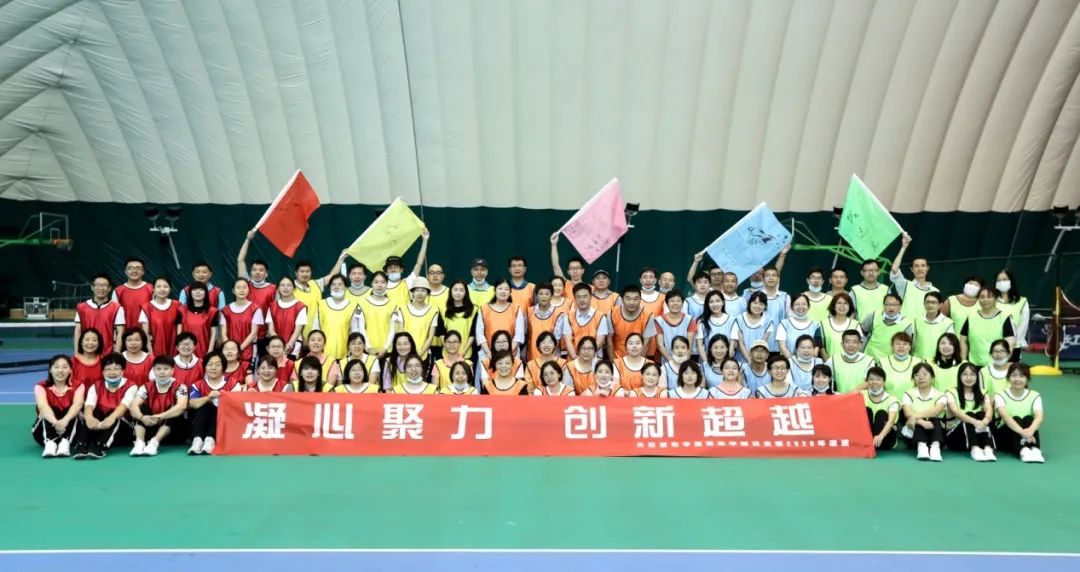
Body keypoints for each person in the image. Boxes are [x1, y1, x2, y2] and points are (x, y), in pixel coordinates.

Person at [75, 353, 136, 459]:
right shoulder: (96, 386)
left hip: (124, 430)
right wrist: (89, 418)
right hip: (103, 427)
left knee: (115, 414)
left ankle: (100, 446)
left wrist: (111, 418)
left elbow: (124, 406)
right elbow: (89, 405)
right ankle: (81, 445)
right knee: (93, 413)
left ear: (123, 371)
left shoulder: (131, 386)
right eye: (108, 369)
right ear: (103, 372)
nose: (112, 372)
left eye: (116, 369)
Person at [129, 356, 189, 457]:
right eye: (158, 369)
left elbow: (181, 407)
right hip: (151, 427)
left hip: (173, 433)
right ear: (153, 370)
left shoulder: (180, 386)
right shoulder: (146, 387)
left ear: (172, 371)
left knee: (174, 410)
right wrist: (142, 418)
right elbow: (133, 406)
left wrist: (159, 416)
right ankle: (139, 443)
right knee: (142, 408)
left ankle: (154, 443)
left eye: (166, 369)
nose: (162, 372)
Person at [188, 352, 243, 455]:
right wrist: (208, 397)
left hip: (225, 424)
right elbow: (192, 404)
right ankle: (197, 440)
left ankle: (210, 440)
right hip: (202, 420)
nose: (213, 368)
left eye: (217, 364)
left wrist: (222, 399)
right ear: (205, 367)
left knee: (217, 408)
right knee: (204, 405)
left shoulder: (233, 383)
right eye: (210, 364)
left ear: (223, 367)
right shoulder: (198, 384)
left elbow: (237, 405)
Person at [32, 355, 84, 458]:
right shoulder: (41, 386)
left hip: (71, 433)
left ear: (70, 370)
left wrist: (65, 421)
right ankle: (50, 443)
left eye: (65, 367)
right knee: (48, 411)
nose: (60, 370)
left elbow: (77, 405)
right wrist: (56, 423)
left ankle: (65, 443)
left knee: (73, 410)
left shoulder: (79, 385)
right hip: (42, 433)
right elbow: (42, 406)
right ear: (50, 370)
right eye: (56, 367)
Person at [992, 362, 1045, 463]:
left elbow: (1039, 416)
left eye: (1021, 376)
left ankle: (1035, 450)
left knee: (1029, 418)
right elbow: (1005, 417)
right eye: (1014, 375)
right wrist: (1023, 432)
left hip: (1027, 435)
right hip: (1004, 437)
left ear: (1027, 379)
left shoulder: (1035, 395)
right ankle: (1024, 451)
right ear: (1008, 378)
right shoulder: (1000, 395)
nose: (1017, 379)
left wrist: (1030, 430)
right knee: (1016, 418)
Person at [236, 230, 278, 353]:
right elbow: (240, 260)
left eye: (261, 270)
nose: (257, 272)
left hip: (264, 335)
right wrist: (247, 239)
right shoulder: (245, 284)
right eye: (254, 270)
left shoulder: (273, 288)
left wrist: (271, 331)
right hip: (244, 332)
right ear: (250, 272)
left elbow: (276, 313)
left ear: (266, 274)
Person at [945, 362, 996, 462]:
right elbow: (955, 411)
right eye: (965, 374)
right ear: (959, 376)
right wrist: (975, 422)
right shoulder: (951, 392)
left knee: (982, 414)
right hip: (955, 437)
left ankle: (988, 448)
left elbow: (989, 409)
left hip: (977, 432)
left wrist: (985, 421)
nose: (969, 378)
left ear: (977, 377)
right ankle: (975, 449)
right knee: (969, 415)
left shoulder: (983, 392)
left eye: (972, 374)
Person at [313, 274, 366, 361]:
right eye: (333, 284)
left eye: (340, 284)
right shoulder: (321, 304)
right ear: (330, 287)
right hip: (323, 353)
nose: (336, 287)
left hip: (345, 353)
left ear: (345, 288)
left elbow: (354, 332)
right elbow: (316, 329)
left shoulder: (353, 306)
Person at [960, 286, 1015, 368]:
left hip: (996, 367)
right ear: (978, 299)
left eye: (989, 297)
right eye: (982, 297)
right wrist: (964, 361)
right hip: (973, 367)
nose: (985, 300)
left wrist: (1002, 363)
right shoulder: (971, 316)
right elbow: (963, 340)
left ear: (996, 298)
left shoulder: (1005, 317)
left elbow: (1010, 344)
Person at [901, 363, 946, 462]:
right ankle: (921, 447)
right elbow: (907, 413)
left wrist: (914, 417)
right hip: (912, 438)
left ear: (932, 377)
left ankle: (935, 448)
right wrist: (921, 422)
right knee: (920, 421)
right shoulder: (908, 394)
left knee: (935, 419)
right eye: (916, 375)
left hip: (936, 434)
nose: (921, 377)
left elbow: (935, 411)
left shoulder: (940, 395)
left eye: (925, 374)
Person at [890, 233, 938, 322]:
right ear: (912, 269)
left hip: (924, 329)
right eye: (916, 266)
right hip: (906, 329)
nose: (920, 269)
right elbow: (894, 269)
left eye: (923, 266)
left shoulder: (935, 291)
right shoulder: (905, 285)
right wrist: (903, 247)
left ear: (927, 268)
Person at [75, 274, 124, 355]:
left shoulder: (117, 308)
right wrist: (77, 354)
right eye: (97, 285)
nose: (101, 288)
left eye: (104, 285)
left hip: (107, 354)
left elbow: (120, 333)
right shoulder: (81, 307)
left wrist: (117, 354)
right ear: (92, 287)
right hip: (86, 353)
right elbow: (78, 331)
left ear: (109, 288)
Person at [390, 277, 439, 360]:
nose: (420, 293)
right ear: (412, 292)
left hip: (423, 355)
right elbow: (400, 334)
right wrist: (405, 353)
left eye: (423, 290)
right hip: (404, 354)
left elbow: (430, 337)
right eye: (417, 290)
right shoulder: (402, 309)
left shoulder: (433, 311)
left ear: (428, 293)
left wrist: (419, 355)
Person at [477, 280, 526, 359]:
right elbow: (480, 335)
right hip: (488, 355)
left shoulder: (516, 309)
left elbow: (519, 335)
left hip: (511, 355)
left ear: (510, 292)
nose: (503, 291)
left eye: (506, 289)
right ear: (494, 290)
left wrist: (507, 353)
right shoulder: (484, 309)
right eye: (500, 288)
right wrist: (489, 352)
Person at [219, 278, 265, 364]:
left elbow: (253, 333)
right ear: (233, 290)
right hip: (229, 353)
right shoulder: (225, 310)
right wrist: (230, 349)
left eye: (244, 287)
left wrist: (239, 349)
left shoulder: (255, 309)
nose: (241, 290)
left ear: (249, 290)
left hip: (248, 352)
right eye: (238, 287)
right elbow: (223, 334)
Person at [526, 282, 571, 361]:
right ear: (536, 296)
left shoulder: (558, 314)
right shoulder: (529, 312)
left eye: (547, 294)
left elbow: (556, 340)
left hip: (552, 357)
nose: (544, 296)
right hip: (532, 356)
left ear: (551, 295)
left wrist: (549, 359)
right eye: (541, 294)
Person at [357, 272, 398, 358]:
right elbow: (361, 328)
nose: (379, 285)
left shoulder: (393, 305)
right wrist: (368, 348)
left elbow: (393, 330)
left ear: (387, 284)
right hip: (368, 350)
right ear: (371, 284)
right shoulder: (362, 303)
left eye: (383, 282)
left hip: (387, 350)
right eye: (376, 282)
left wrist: (385, 348)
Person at [139, 277, 181, 358]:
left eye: (165, 286)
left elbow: (180, 329)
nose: (162, 289)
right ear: (153, 289)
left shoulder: (177, 305)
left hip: (175, 350)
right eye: (158, 286)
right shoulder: (146, 307)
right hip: (156, 351)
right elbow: (145, 334)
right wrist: (151, 353)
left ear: (170, 289)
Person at [864, 294, 914, 363]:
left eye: (895, 305)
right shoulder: (874, 315)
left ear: (900, 307)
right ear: (883, 305)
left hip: (890, 362)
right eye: (888, 304)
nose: (891, 307)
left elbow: (907, 348)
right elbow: (862, 333)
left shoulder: (906, 325)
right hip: (870, 359)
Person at [266, 276, 308, 357]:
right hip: (276, 348)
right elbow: (271, 330)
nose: (286, 288)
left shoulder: (300, 306)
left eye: (289, 285)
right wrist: (280, 347)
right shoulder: (272, 306)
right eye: (282, 285)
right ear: (278, 288)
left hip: (293, 349)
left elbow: (297, 331)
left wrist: (286, 349)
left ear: (294, 288)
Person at [566, 283, 611, 359]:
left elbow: (600, 341)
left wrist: (587, 355)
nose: (582, 300)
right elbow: (568, 341)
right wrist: (575, 358)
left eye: (585, 296)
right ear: (574, 298)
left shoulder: (600, 316)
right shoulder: (568, 317)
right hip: (574, 358)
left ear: (590, 297)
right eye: (579, 297)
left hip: (595, 358)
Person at [607, 285, 652, 360]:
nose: (632, 302)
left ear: (640, 300)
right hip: (617, 358)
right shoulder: (612, 313)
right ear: (622, 299)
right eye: (628, 299)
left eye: (635, 299)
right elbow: (609, 341)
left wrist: (639, 363)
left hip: (638, 358)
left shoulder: (648, 315)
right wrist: (613, 363)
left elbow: (646, 344)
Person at [995, 270, 1029, 361]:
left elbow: (1023, 324)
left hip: (1014, 346)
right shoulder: (991, 301)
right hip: (994, 345)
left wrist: (1013, 342)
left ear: (1011, 281)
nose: (1001, 282)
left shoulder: (1022, 301)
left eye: (1004, 279)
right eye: (998, 280)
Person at [862, 367, 899, 451]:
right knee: (867, 410)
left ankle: (874, 444)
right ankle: (867, 442)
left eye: (878, 379)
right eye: (871, 379)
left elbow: (890, 422)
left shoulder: (892, 400)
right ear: (867, 381)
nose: (874, 382)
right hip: (867, 439)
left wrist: (880, 436)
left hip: (885, 439)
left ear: (884, 382)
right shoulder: (860, 395)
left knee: (881, 413)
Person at [441, 281, 479, 361]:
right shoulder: (443, 309)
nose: (458, 293)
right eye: (455, 290)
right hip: (447, 354)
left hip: (466, 354)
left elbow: (472, 334)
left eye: (461, 290)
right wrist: (449, 350)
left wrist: (463, 353)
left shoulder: (474, 310)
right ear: (451, 291)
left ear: (466, 293)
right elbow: (441, 333)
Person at [731, 292, 773, 364]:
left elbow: (762, 344)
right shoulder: (739, 319)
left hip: (758, 361)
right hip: (740, 361)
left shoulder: (768, 321)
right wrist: (749, 361)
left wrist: (754, 363)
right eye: (755, 303)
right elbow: (741, 344)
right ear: (749, 303)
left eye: (761, 304)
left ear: (765, 306)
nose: (757, 306)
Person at [113, 257, 153, 331]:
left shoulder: (152, 289)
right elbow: (114, 315)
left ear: (143, 272)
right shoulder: (118, 291)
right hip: (125, 334)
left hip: (147, 333)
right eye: (130, 268)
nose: (134, 270)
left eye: (138, 268)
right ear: (125, 271)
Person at [179, 282, 218, 358]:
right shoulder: (182, 310)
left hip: (204, 350)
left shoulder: (212, 311)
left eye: (201, 290)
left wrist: (210, 351)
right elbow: (179, 334)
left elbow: (213, 334)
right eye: (194, 290)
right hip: (185, 350)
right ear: (190, 293)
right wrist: (180, 350)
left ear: (206, 293)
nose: (198, 292)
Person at [913, 291, 954, 361]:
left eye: (933, 302)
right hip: (918, 361)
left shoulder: (948, 323)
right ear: (924, 304)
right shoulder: (917, 320)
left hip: (938, 362)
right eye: (927, 302)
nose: (930, 305)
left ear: (940, 304)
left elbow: (949, 346)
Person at [820, 292, 862, 360]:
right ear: (833, 306)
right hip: (830, 364)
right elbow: (821, 347)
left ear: (850, 307)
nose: (842, 306)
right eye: (839, 303)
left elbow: (859, 347)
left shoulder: (856, 324)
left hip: (851, 363)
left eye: (845, 303)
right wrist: (828, 363)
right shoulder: (823, 323)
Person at [777, 294, 821, 359]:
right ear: (791, 307)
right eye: (797, 304)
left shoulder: (816, 325)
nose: (800, 307)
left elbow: (815, 351)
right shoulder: (784, 324)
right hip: (789, 361)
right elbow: (782, 348)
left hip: (810, 362)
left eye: (804, 304)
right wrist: (794, 361)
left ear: (808, 306)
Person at [881, 332, 922, 399]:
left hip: (912, 402)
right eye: (898, 344)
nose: (901, 346)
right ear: (892, 346)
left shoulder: (918, 362)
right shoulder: (883, 362)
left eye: (905, 344)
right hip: (889, 402)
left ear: (910, 347)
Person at [695, 291, 736, 359]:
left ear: (723, 302)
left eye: (717, 301)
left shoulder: (732, 320)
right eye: (711, 302)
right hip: (707, 360)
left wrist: (726, 361)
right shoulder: (702, 322)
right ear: (707, 304)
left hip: (727, 361)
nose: (715, 304)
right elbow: (700, 345)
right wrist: (706, 362)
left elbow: (732, 344)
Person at [291, 259, 324, 339]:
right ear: (296, 273)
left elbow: (332, 275)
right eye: (302, 271)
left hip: (315, 334)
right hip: (296, 335)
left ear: (311, 273)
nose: (305, 274)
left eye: (307, 271)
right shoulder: (290, 287)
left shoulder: (316, 284)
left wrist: (341, 259)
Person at [550, 232, 587, 300]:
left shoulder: (590, 288)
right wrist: (554, 244)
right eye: (572, 268)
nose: (575, 271)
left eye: (577, 268)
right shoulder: (564, 285)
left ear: (583, 271)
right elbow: (555, 266)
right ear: (568, 272)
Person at [758, 267, 789, 334]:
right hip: (760, 336)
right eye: (767, 275)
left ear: (778, 279)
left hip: (780, 336)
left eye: (774, 275)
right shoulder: (756, 296)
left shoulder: (785, 297)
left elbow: (789, 318)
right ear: (763, 279)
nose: (771, 278)